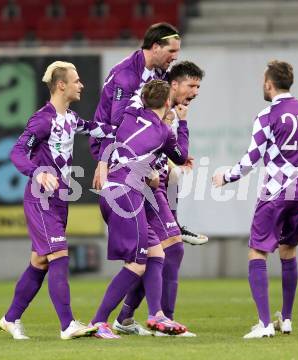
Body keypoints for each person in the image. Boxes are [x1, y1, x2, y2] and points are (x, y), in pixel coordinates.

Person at [212, 60, 298, 338]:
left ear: (269, 83)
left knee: (257, 251)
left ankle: (265, 324)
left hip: (274, 193)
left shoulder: (267, 116)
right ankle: (286, 319)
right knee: (288, 252)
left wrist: (225, 177)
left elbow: (251, 160)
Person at [0, 61, 115, 340]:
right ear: (61, 85)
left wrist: (131, 127)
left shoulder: (72, 119)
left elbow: (102, 130)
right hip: (41, 199)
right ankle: (67, 325)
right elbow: (17, 153)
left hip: (61, 199)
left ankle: (10, 318)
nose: (81, 85)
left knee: (40, 262)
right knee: (59, 256)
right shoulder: (43, 120)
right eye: (76, 81)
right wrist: (37, 171)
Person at [90, 80, 190, 339]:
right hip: (126, 195)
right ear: (167, 102)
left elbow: (112, 136)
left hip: (114, 190)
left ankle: (156, 315)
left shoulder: (130, 114)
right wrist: (183, 122)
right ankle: (99, 321)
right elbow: (180, 156)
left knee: (156, 254)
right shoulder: (164, 131)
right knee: (136, 263)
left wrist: (104, 162)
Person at [112, 61, 204, 337]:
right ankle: (163, 320)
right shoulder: (149, 107)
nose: (195, 92)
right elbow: (118, 129)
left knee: (159, 253)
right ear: (174, 86)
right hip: (141, 187)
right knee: (170, 249)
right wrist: (105, 162)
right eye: (191, 86)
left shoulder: (171, 113)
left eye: (198, 87)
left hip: (157, 184)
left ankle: (127, 318)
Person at [90, 22, 181, 191]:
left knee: (168, 180)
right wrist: (103, 163)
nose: (175, 56)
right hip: (113, 146)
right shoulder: (127, 74)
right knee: (132, 202)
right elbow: (115, 123)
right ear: (155, 47)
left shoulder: (158, 72)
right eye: (172, 51)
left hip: (136, 145)